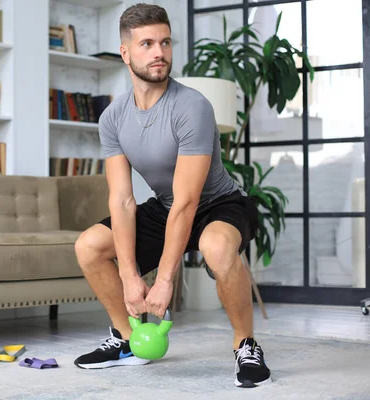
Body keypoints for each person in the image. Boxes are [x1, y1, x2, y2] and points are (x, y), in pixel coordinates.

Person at [72, 3, 272, 388]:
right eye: (146, 43)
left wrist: (164, 280)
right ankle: (126, 340)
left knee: (215, 246)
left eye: (164, 42)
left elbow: (188, 200)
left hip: (220, 204)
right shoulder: (112, 118)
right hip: (165, 207)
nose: (159, 52)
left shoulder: (191, 106)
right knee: (90, 246)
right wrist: (130, 276)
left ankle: (245, 344)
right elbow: (123, 201)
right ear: (125, 52)